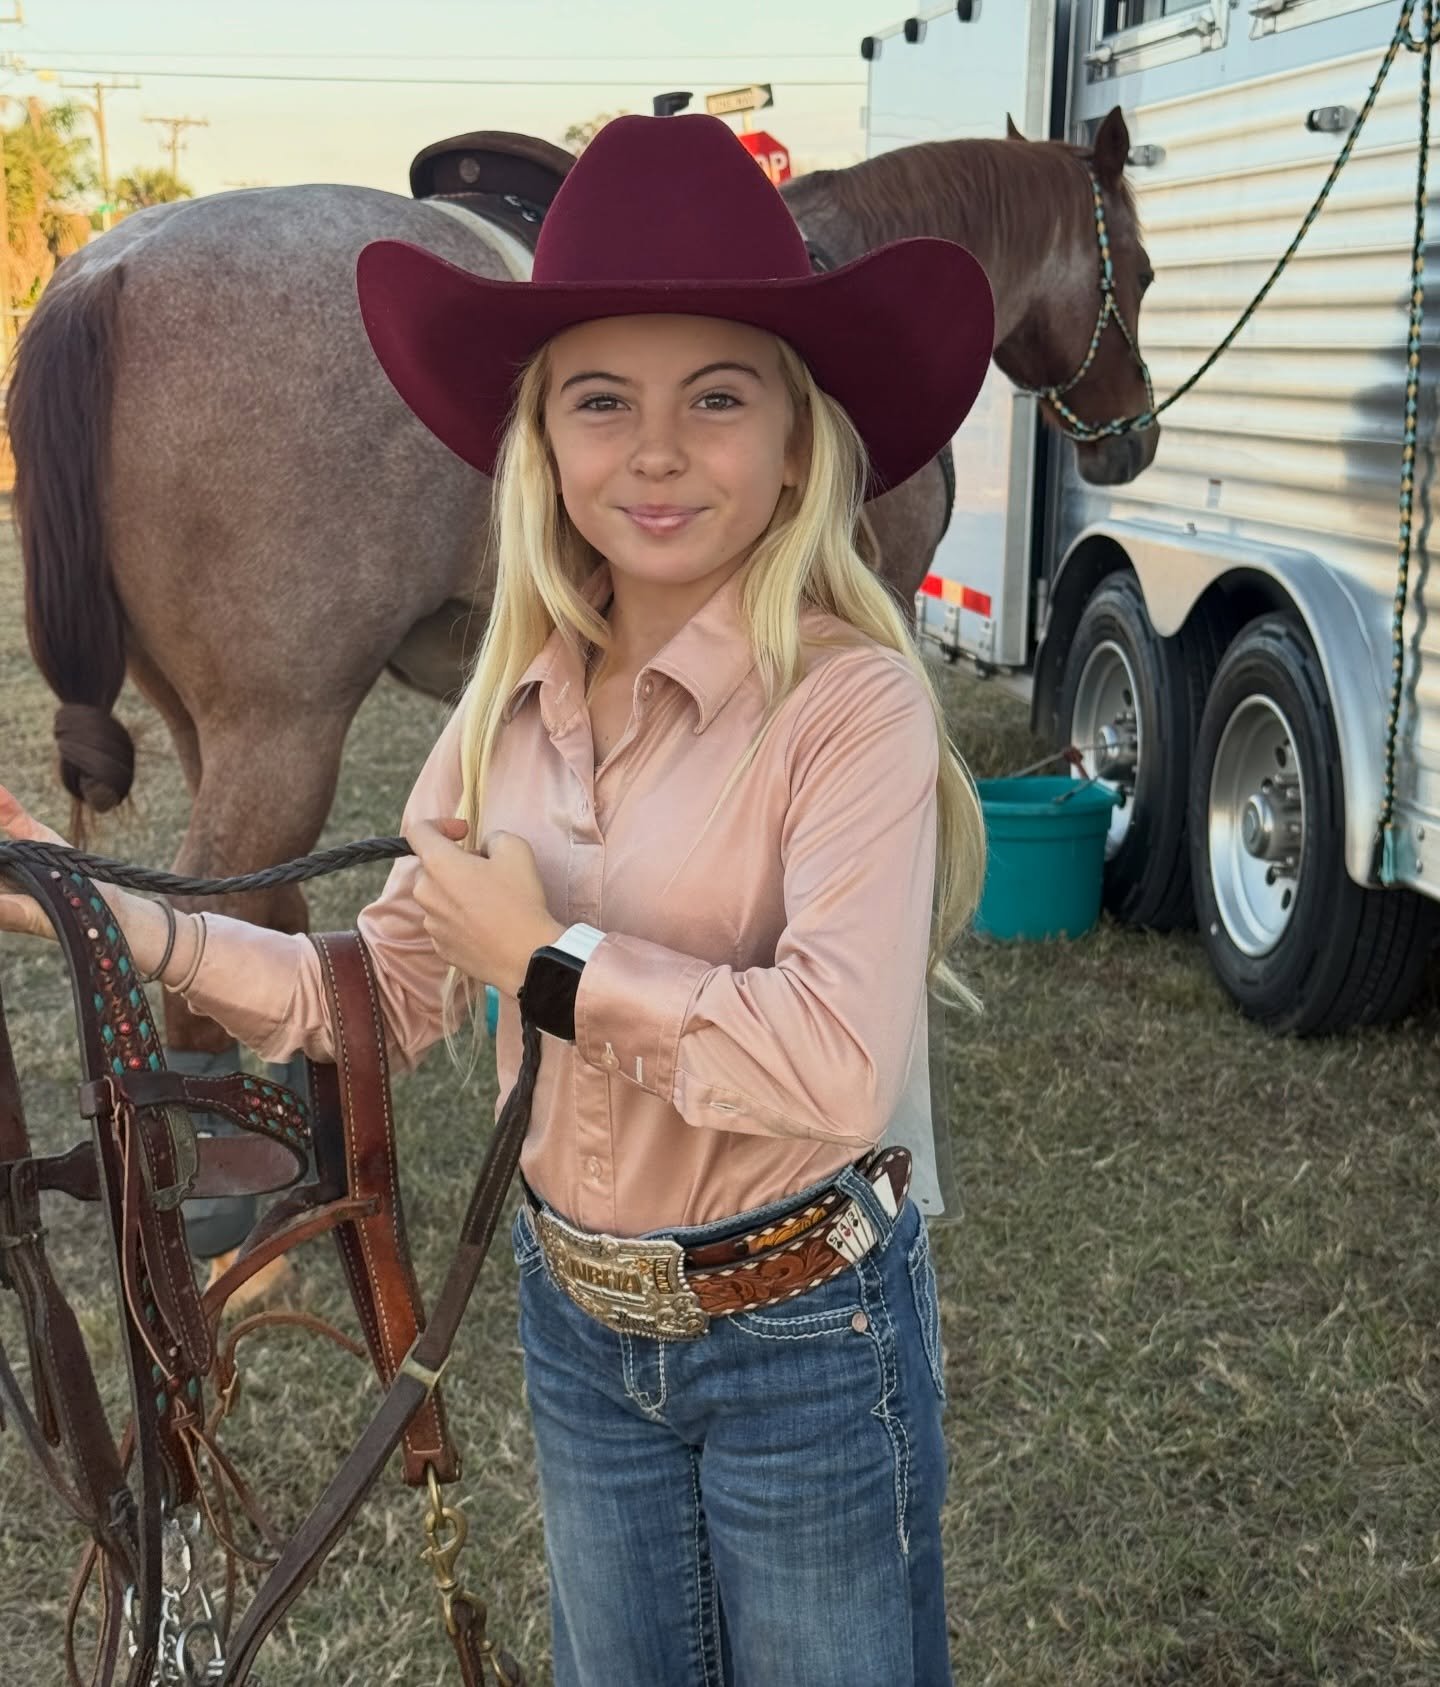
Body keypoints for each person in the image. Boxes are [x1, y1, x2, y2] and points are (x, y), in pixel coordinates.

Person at [0, 114, 994, 1686]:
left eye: (714, 399)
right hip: (583, 1334)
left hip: (804, 1338)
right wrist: (98, 912)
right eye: (602, 403)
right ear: (542, 443)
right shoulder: (504, 708)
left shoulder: (851, 707)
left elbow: (834, 1063)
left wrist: (543, 965)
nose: (654, 452)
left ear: (796, 442)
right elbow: (381, 993)